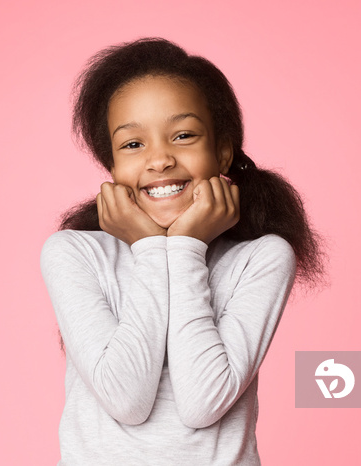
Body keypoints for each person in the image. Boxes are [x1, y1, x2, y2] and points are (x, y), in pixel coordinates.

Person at [40, 38, 325, 465]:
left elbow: (203, 402)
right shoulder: (74, 253)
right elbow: (127, 399)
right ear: (112, 167)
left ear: (223, 151)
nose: (159, 161)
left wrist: (186, 247)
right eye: (133, 145)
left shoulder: (261, 258)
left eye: (183, 135)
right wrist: (153, 246)